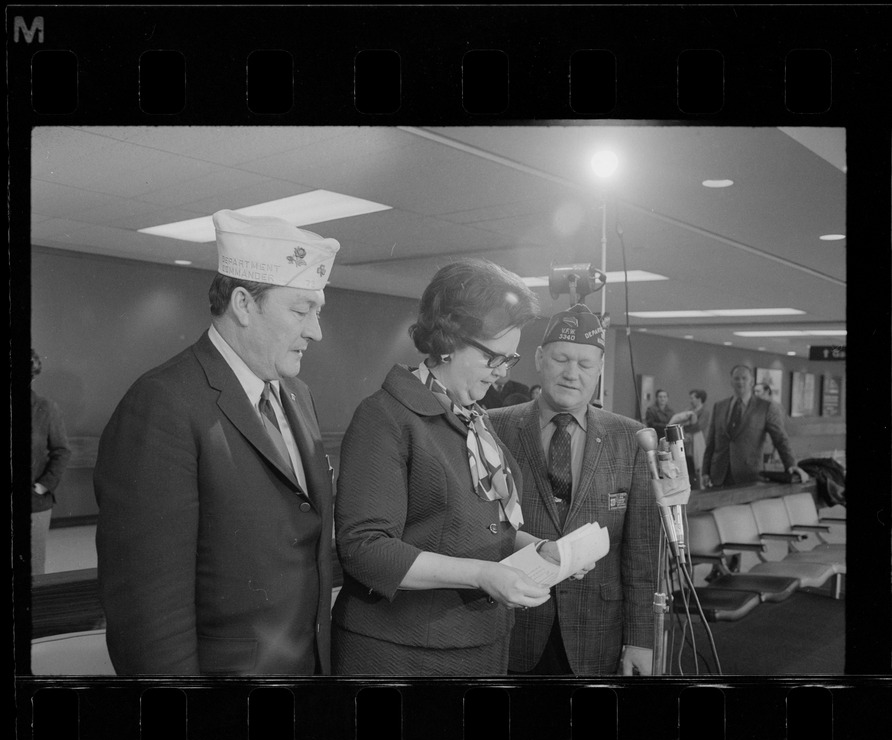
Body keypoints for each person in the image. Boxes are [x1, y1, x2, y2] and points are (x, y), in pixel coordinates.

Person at [94, 210, 339, 676]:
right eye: (301, 310)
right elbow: (149, 612)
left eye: (318, 312)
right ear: (244, 304)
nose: (316, 331)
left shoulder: (297, 394)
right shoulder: (163, 403)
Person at [332, 259, 578, 677]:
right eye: (491, 358)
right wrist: (483, 575)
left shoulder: (474, 419)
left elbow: (483, 524)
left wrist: (537, 548)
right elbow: (365, 549)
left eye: (510, 359)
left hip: (480, 642)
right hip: (402, 654)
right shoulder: (386, 417)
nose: (501, 376)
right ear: (447, 340)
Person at [488, 304, 661, 676]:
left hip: (598, 633)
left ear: (600, 369)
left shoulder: (630, 438)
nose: (571, 374)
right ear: (539, 358)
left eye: (585, 365)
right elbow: (477, 527)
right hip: (511, 625)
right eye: (561, 359)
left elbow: (642, 553)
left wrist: (642, 639)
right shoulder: (493, 428)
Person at [701, 364, 809, 488]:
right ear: (731, 381)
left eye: (744, 378)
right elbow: (710, 443)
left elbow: (780, 439)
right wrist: (705, 471)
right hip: (719, 476)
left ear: (751, 381)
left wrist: (791, 465)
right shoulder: (719, 406)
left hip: (749, 475)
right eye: (736, 378)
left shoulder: (765, 407)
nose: (740, 382)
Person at [30, 349, 72, 576]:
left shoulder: (46, 408)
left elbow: (62, 451)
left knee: (33, 570)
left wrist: (42, 486)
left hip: (34, 504)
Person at [668, 389, 711, 489]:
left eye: (693, 398)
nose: (691, 400)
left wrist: (686, 426)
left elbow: (699, 427)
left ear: (699, 399)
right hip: (686, 444)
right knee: (687, 467)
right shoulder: (689, 410)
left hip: (698, 444)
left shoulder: (705, 412)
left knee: (698, 467)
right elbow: (680, 424)